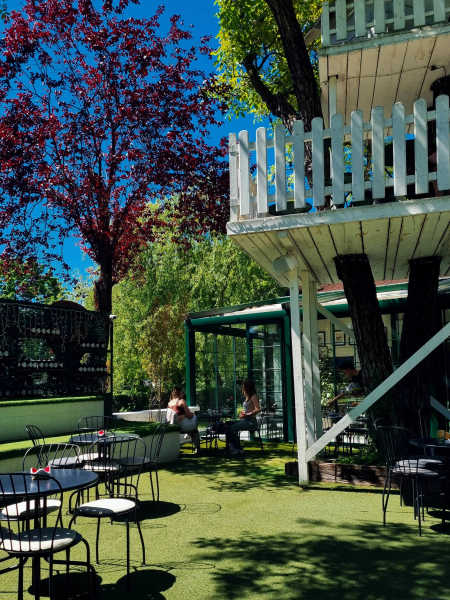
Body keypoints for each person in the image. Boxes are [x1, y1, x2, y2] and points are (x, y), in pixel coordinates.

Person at [226, 379, 261, 456]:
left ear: (248, 387)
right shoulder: (247, 396)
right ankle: (235, 447)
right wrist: (242, 413)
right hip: (245, 420)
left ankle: (235, 448)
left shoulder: (253, 396)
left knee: (232, 428)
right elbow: (247, 409)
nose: (242, 387)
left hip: (251, 422)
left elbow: (258, 409)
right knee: (228, 425)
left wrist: (247, 414)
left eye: (243, 386)